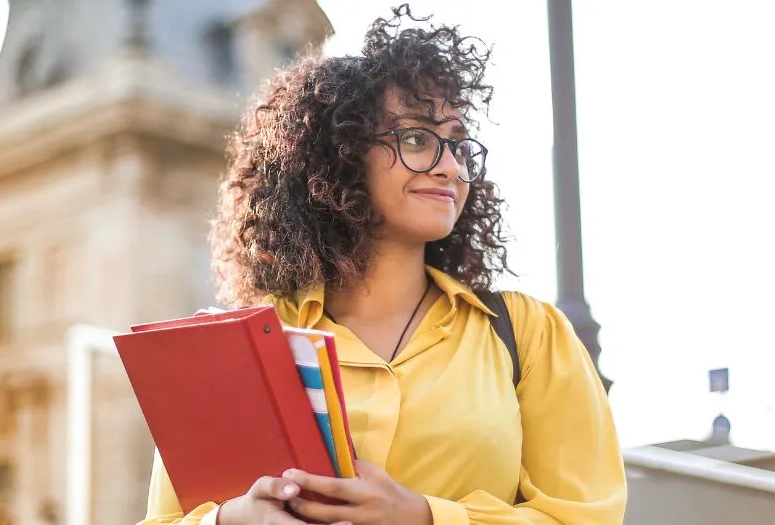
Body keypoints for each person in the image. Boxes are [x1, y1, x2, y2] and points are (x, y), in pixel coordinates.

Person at [139, 5, 626, 525]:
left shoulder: (527, 335)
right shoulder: (245, 345)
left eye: (459, 145)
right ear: (342, 154)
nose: (450, 166)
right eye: (417, 138)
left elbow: (585, 517)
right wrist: (232, 519)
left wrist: (424, 516)